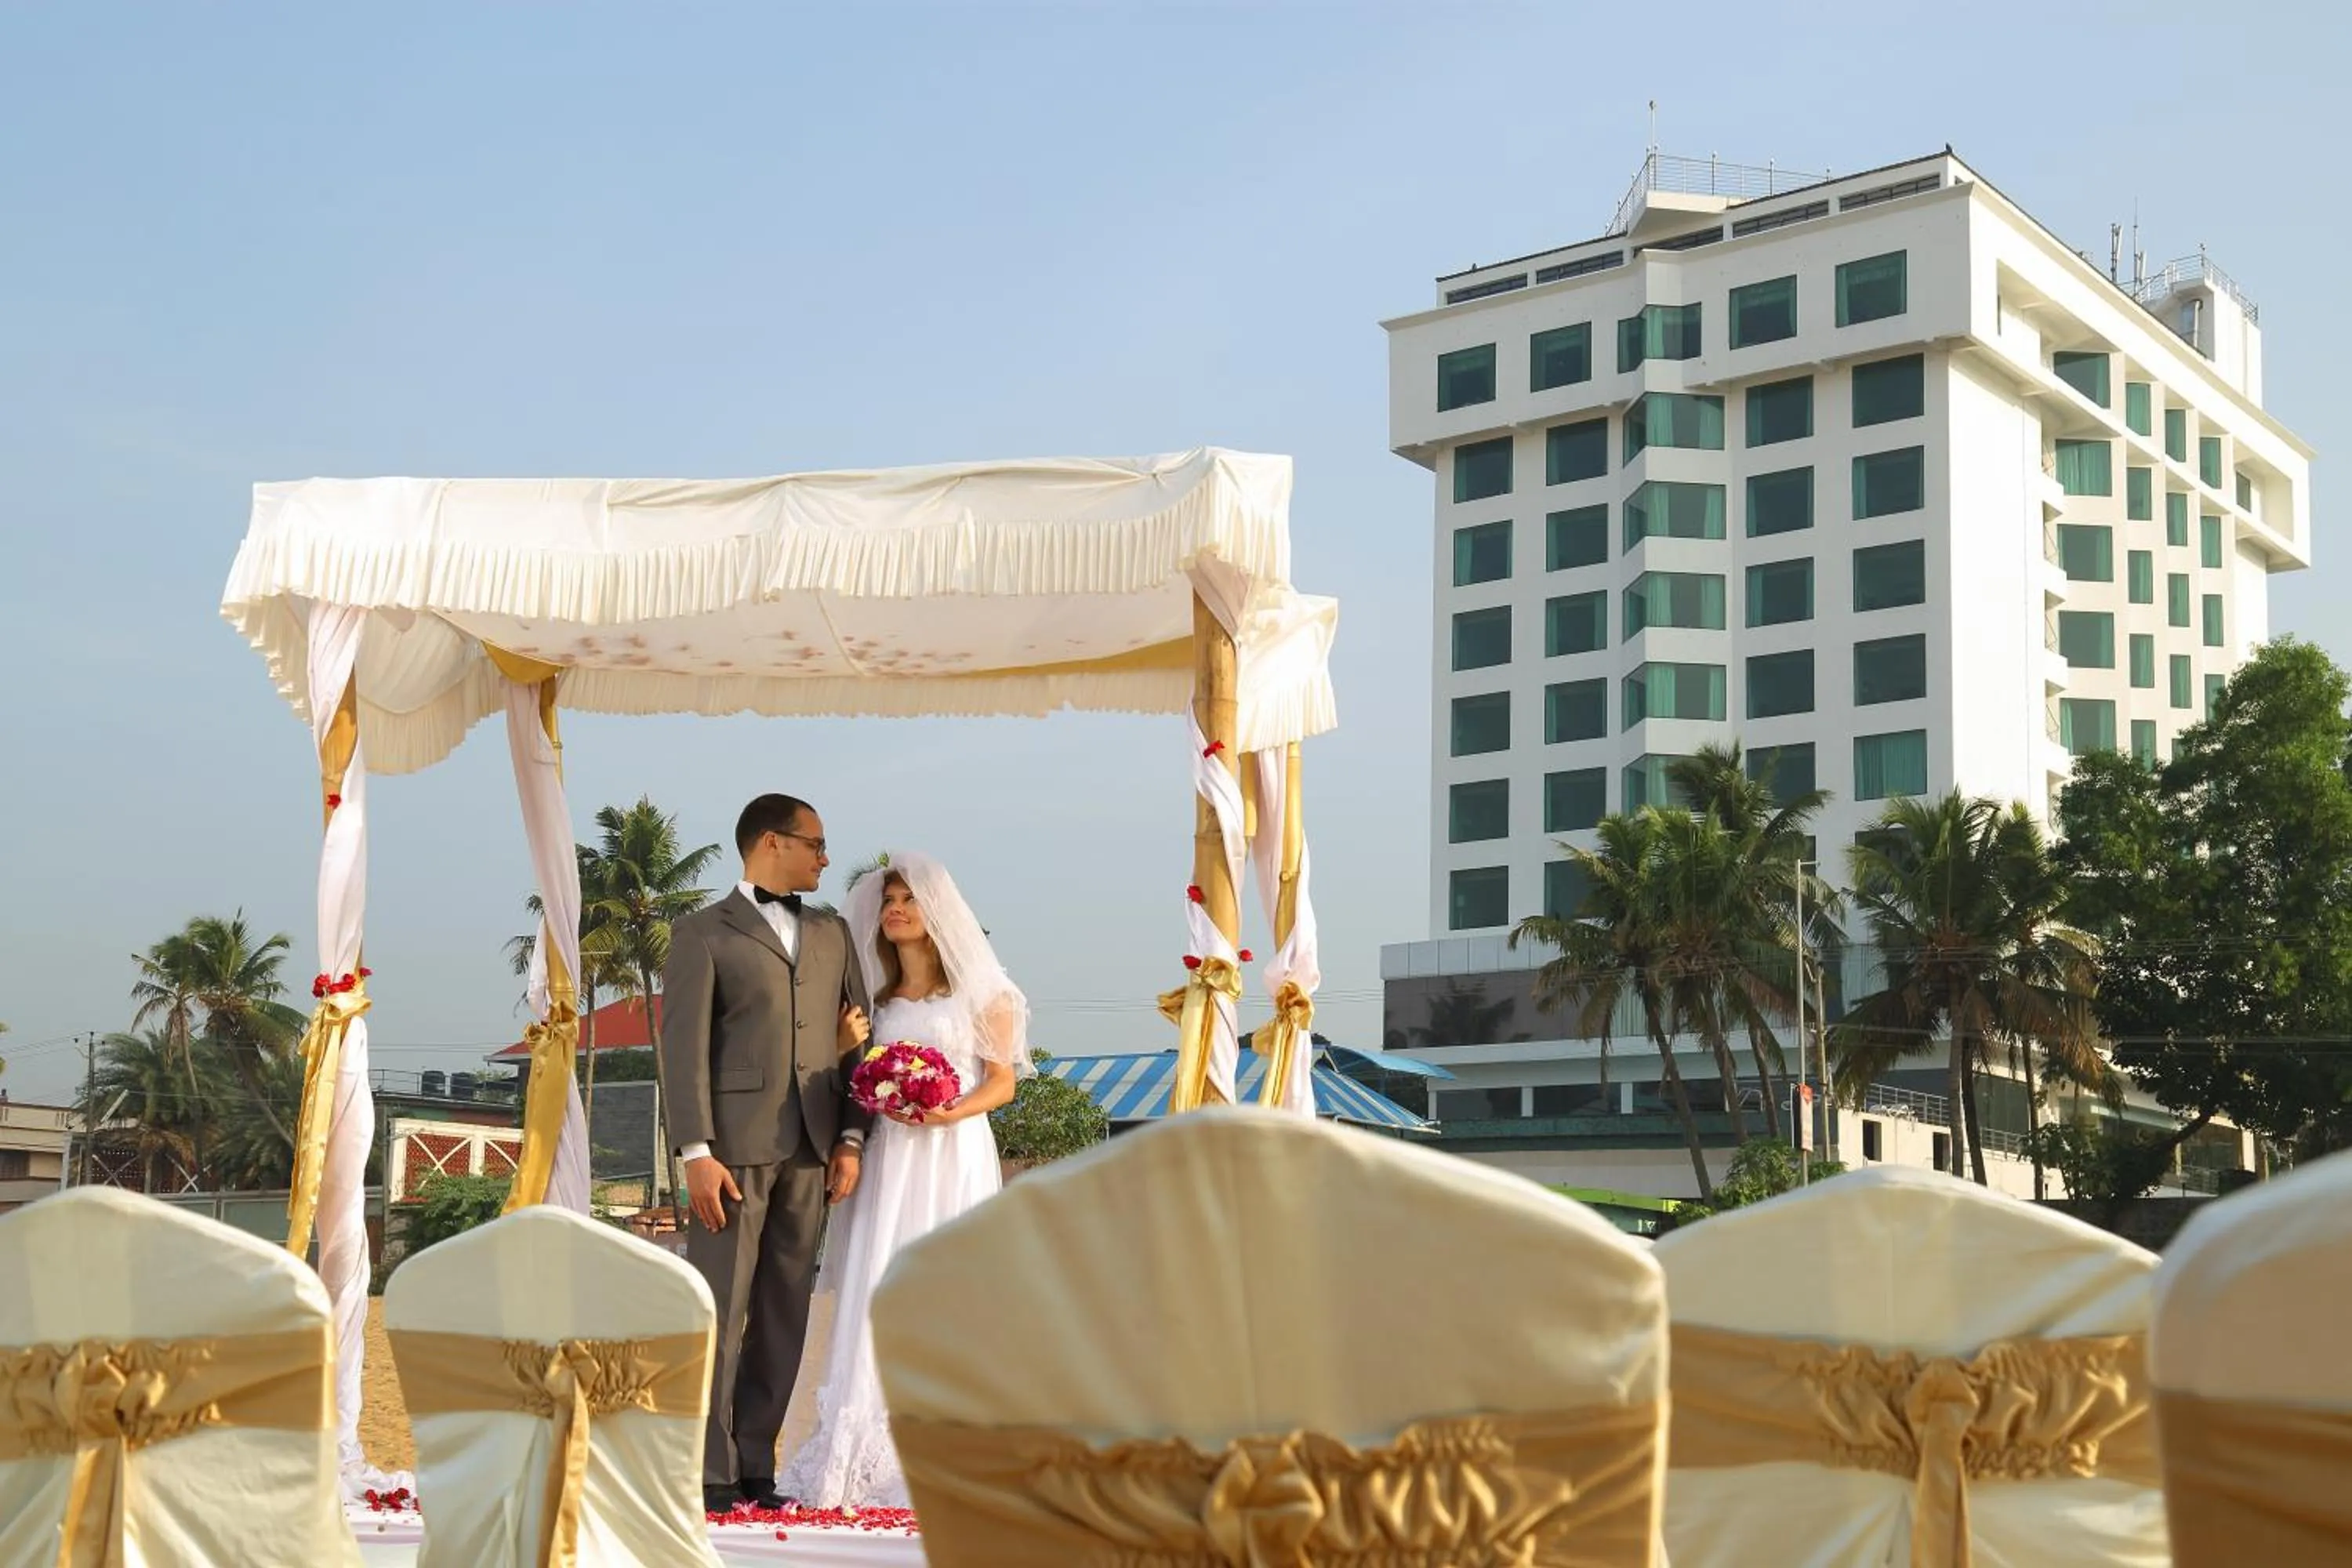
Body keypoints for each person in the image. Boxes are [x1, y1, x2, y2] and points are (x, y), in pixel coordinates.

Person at [776, 851, 1031, 1508]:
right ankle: (857, 1450)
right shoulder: (875, 1003)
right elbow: (851, 1079)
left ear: (938, 912)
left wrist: (951, 1109)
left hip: (951, 1153)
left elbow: (1001, 1083)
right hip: (889, 1155)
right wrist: (842, 1050)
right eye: (889, 900)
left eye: (908, 900)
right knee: (877, 1281)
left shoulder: (984, 993)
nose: (894, 910)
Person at [658, 793, 873, 1515]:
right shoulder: (700, 933)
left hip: (813, 1149)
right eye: (815, 843)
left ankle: (755, 1464)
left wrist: (849, 1137)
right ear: (773, 842)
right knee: (719, 1309)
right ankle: (709, 1471)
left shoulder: (834, 932)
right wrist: (695, 1152)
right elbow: (681, 1050)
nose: (824, 857)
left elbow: (859, 1043)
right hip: (732, 1152)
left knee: (785, 1313)